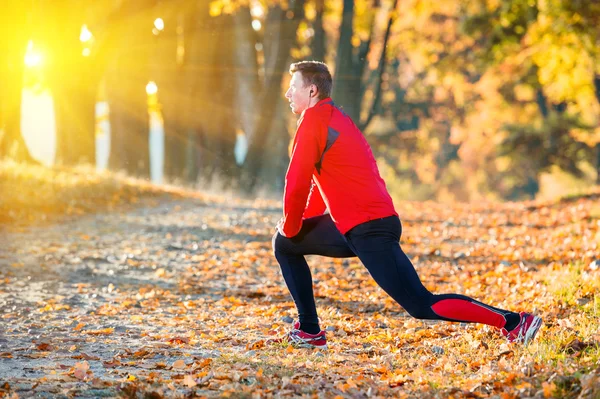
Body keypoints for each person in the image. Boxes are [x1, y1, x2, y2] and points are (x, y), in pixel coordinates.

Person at [269, 61, 542, 349]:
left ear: (311, 90)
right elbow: (312, 184)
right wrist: (295, 229)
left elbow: (296, 180)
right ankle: (310, 330)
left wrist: (291, 225)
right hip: (355, 223)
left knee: (421, 304)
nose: (288, 93)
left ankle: (513, 322)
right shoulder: (332, 117)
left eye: (293, 86)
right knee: (285, 244)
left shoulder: (315, 121)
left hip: (368, 227)